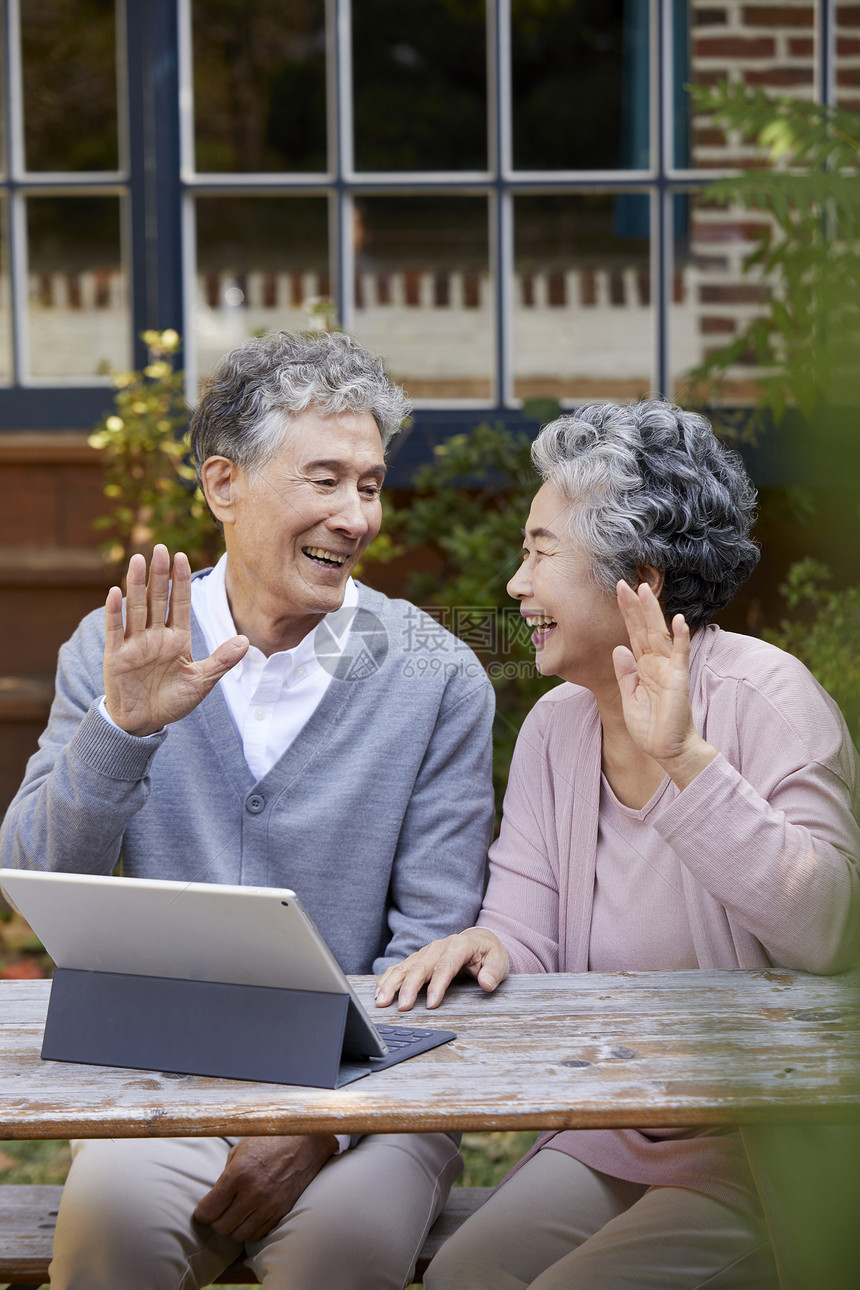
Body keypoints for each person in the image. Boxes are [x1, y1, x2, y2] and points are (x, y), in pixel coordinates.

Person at [0, 329, 495, 1290]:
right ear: (223, 485)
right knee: (109, 1247)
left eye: (372, 484)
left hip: (367, 1106)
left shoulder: (437, 674)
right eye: (324, 480)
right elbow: (33, 881)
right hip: (160, 1085)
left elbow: (428, 949)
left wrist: (315, 1132)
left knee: (339, 1264)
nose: (356, 516)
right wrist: (122, 728)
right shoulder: (119, 649)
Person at [376, 400, 860, 1290]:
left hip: (763, 1141)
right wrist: (489, 945)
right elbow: (527, 929)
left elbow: (831, 929)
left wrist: (685, 759)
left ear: (636, 578)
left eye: (539, 552)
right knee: (462, 1276)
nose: (516, 584)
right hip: (617, 1120)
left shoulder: (766, 700)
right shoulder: (557, 728)